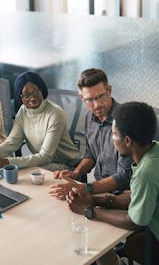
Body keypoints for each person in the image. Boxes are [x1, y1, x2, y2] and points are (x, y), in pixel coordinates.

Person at [67, 102, 159, 265]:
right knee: (126, 246)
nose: (111, 139)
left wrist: (89, 211)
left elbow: (133, 221)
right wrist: (94, 200)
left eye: (113, 134)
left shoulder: (147, 173)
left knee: (109, 244)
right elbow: (137, 195)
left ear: (127, 141)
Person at [49, 68, 133, 199]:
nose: (97, 104)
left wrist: (85, 188)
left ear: (109, 90)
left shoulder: (125, 121)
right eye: (90, 100)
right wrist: (75, 173)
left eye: (101, 97)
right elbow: (91, 156)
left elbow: (124, 176)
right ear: (81, 98)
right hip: (98, 189)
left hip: (123, 195)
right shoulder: (90, 117)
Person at [0, 71, 80, 171]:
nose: (32, 99)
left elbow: (45, 156)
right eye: (27, 96)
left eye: (36, 93)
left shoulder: (55, 113)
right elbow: (12, 143)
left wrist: (7, 161)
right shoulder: (23, 111)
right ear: (21, 98)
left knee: (23, 173)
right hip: (43, 163)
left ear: (42, 90)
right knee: (13, 173)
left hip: (66, 164)